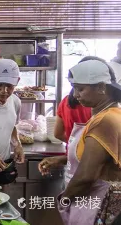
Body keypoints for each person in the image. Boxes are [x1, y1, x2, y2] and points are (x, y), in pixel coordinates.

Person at [39, 58, 121, 225]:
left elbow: (86, 177)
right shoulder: (107, 114)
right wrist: (63, 159)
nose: (75, 95)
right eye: (74, 89)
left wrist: (64, 200)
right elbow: (101, 158)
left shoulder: (104, 121)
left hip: (97, 204)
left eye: (80, 89)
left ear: (101, 87)